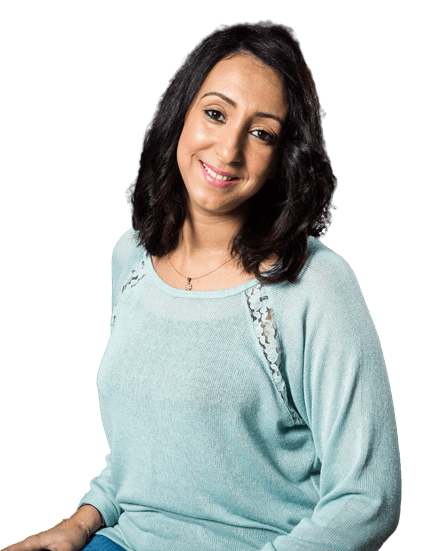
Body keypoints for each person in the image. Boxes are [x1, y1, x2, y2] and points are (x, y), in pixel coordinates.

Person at [3, 21, 401, 551]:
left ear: (284, 157)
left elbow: (368, 501)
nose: (229, 149)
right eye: (216, 113)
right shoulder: (131, 257)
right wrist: (78, 524)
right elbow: (144, 457)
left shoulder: (317, 285)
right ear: (181, 115)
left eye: (261, 133)